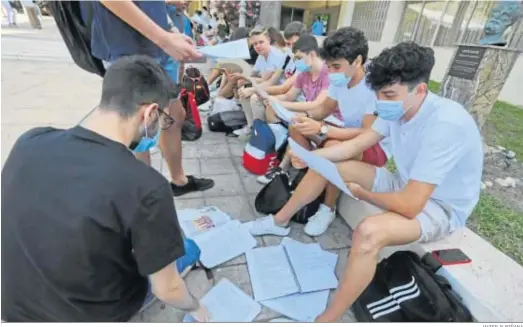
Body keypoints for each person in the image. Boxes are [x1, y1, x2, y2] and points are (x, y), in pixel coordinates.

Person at [1, 56, 212, 322]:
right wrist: (194, 307)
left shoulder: (30, 141)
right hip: (92, 313)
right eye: (163, 121)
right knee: (188, 249)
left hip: (16, 304)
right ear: (149, 113)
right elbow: (167, 289)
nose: (160, 128)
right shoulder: (146, 186)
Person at [248, 27, 391, 237]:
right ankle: (312, 179)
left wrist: (323, 128)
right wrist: (303, 118)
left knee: (332, 149)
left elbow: (367, 134)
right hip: (345, 133)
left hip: (374, 146)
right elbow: (322, 110)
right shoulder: (340, 80)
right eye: (329, 66)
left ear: (358, 61)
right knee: (298, 129)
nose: (331, 72)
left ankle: (318, 210)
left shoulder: (372, 88)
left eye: (336, 66)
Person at [87, 1, 214, 197]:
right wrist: (163, 38)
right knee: (139, 126)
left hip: (161, 47)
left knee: (174, 116)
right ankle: (143, 191)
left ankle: (178, 180)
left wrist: (171, 31)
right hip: (129, 46)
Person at [256, 34, 343, 184]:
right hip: (314, 116)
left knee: (298, 122)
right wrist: (272, 100)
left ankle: (286, 167)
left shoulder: (327, 74)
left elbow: (317, 104)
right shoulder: (304, 73)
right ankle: (283, 158)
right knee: (277, 111)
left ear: (312, 54)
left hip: (331, 119)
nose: (296, 62)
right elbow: (289, 95)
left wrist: (282, 104)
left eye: (299, 57)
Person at [232, 27, 287, 138]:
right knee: (242, 88)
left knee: (254, 97)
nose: (258, 46)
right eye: (255, 44)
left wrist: (250, 86)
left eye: (261, 42)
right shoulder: (261, 56)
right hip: (267, 86)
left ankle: (261, 131)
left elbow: (267, 81)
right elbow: (254, 74)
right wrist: (242, 78)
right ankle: (251, 127)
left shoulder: (276, 56)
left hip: (278, 89)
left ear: (268, 40)